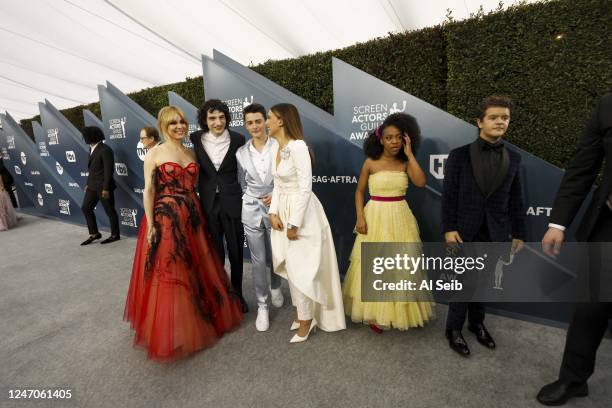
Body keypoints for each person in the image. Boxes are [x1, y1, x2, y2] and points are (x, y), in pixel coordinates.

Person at [124, 106, 243, 361]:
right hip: (166, 219)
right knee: (171, 271)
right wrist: (151, 224)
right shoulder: (154, 153)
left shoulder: (191, 151)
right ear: (163, 126)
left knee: (196, 268)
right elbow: (148, 191)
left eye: (182, 122)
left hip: (194, 216)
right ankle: (173, 329)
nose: (179, 126)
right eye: (173, 123)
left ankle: (197, 318)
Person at [537, 93, 612, 406]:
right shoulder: (608, 105)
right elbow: (583, 167)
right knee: (590, 307)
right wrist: (558, 224)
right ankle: (573, 380)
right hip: (609, 225)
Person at [441, 95, 525, 357]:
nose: (500, 121)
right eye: (494, 117)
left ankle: (476, 323)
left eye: (505, 118)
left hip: (496, 230)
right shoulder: (459, 156)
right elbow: (449, 196)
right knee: (463, 281)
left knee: (485, 281)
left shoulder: (514, 157)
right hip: (464, 229)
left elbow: (516, 199)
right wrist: (448, 228)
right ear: (479, 121)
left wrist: (519, 233)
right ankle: (453, 329)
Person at [342, 113, 434, 332]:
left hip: (401, 217)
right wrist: (360, 217)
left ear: (406, 139)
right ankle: (375, 313)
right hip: (375, 217)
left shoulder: (404, 162)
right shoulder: (370, 163)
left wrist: (410, 154)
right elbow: (359, 191)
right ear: (380, 140)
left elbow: (421, 182)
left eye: (399, 137)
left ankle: (400, 312)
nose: (394, 141)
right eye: (389, 137)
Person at [267, 103, 346, 343]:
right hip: (283, 211)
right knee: (292, 268)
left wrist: (294, 224)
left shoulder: (299, 147)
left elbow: (305, 188)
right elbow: (278, 185)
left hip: (302, 215)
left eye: (268, 118)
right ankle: (303, 314)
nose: (266, 122)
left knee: (302, 268)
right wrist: (272, 213)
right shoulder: (276, 148)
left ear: (281, 120)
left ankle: (306, 320)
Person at [190, 99, 248, 313]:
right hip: (207, 204)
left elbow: (245, 171)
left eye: (221, 117)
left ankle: (238, 295)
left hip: (232, 203)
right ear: (205, 120)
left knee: (236, 253)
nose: (218, 122)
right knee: (214, 254)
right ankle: (219, 295)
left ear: (227, 118)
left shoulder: (239, 139)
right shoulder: (195, 138)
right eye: (212, 118)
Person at [236, 103, 284, 332]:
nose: (254, 126)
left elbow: (287, 177)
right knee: (257, 260)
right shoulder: (241, 153)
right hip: (252, 210)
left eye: (258, 121)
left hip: (277, 208)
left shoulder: (280, 145)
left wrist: (275, 194)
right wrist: (254, 197)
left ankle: (276, 285)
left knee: (276, 254)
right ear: (245, 125)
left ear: (266, 121)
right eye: (249, 123)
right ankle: (263, 306)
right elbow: (242, 183)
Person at [80, 126, 120, 245]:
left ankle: (115, 235)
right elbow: (92, 170)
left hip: (103, 187)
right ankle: (94, 234)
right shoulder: (91, 148)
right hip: (92, 186)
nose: (84, 138)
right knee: (86, 207)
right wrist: (88, 184)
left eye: (85, 136)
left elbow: (109, 171)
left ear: (91, 136)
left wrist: (106, 188)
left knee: (110, 211)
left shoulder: (105, 149)